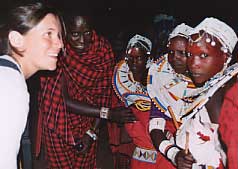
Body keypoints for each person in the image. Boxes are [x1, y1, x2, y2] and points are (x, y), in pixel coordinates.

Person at [35, 13, 135, 169]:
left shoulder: (102, 50)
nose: (82, 40)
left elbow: (104, 94)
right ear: (65, 30)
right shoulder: (57, 50)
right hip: (58, 120)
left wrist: (91, 132)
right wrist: (107, 113)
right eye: (75, 34)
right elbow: (62, 101)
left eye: (87, 32)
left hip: (90, 118)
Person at [0, 1, 63, 169]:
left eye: (59, 36)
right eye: (48, 34)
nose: (60, 44)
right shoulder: (10, 86)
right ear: (16, 39)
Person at [174, 17, 238, 169]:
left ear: (225, 57)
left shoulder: (222, 95)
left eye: (203, 56)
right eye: (190, 55)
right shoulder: (214, 87)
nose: (193, 64)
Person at [110, 34, 173, 169]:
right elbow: (123, 119)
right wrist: (123, 150)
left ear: (148, 58)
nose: (133, 62)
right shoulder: (122, 84)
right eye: (130, 58)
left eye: (138, 58)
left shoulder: (159, 81)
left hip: (161, 145)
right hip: (139, 151)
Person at [147, 23, 193, 168]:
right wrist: (173, 153)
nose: (174, 58)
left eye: (182, 53)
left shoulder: (209, 82)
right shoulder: (162, 81)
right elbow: (155, 125)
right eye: (171, 52)